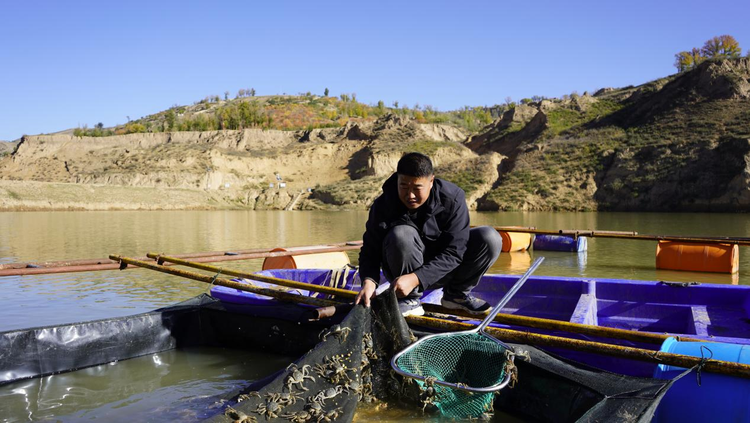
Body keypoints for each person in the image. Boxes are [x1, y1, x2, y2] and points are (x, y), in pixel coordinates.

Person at [354, 152, 503, 316]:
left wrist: (416, 277)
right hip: (401, 273)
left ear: (431, 181)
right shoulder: (383, 204)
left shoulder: (453, 199)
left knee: (490, 237)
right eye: (404, 187)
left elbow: (455, 252)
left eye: (417, 188)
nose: (410, 195)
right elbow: (370, 250)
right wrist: (369, 282)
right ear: (397, 179)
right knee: (401, 234)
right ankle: (409, 300)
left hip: (443, 270)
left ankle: (456, 295)